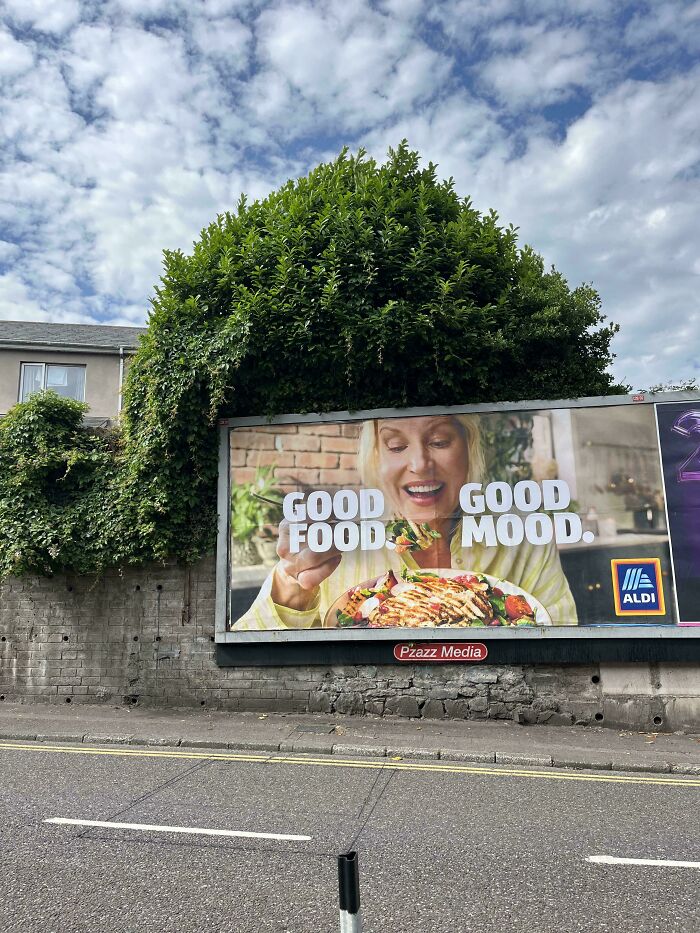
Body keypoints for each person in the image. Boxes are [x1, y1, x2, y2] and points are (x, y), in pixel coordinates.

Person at [232, 414, 577, 630]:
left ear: (468, 447)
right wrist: (292, 585)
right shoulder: (338, 537)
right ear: (376, 458)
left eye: (439, 441)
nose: (420, 464)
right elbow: (252, 648)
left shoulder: (524, 537)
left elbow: (562, 644)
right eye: (396, 446)